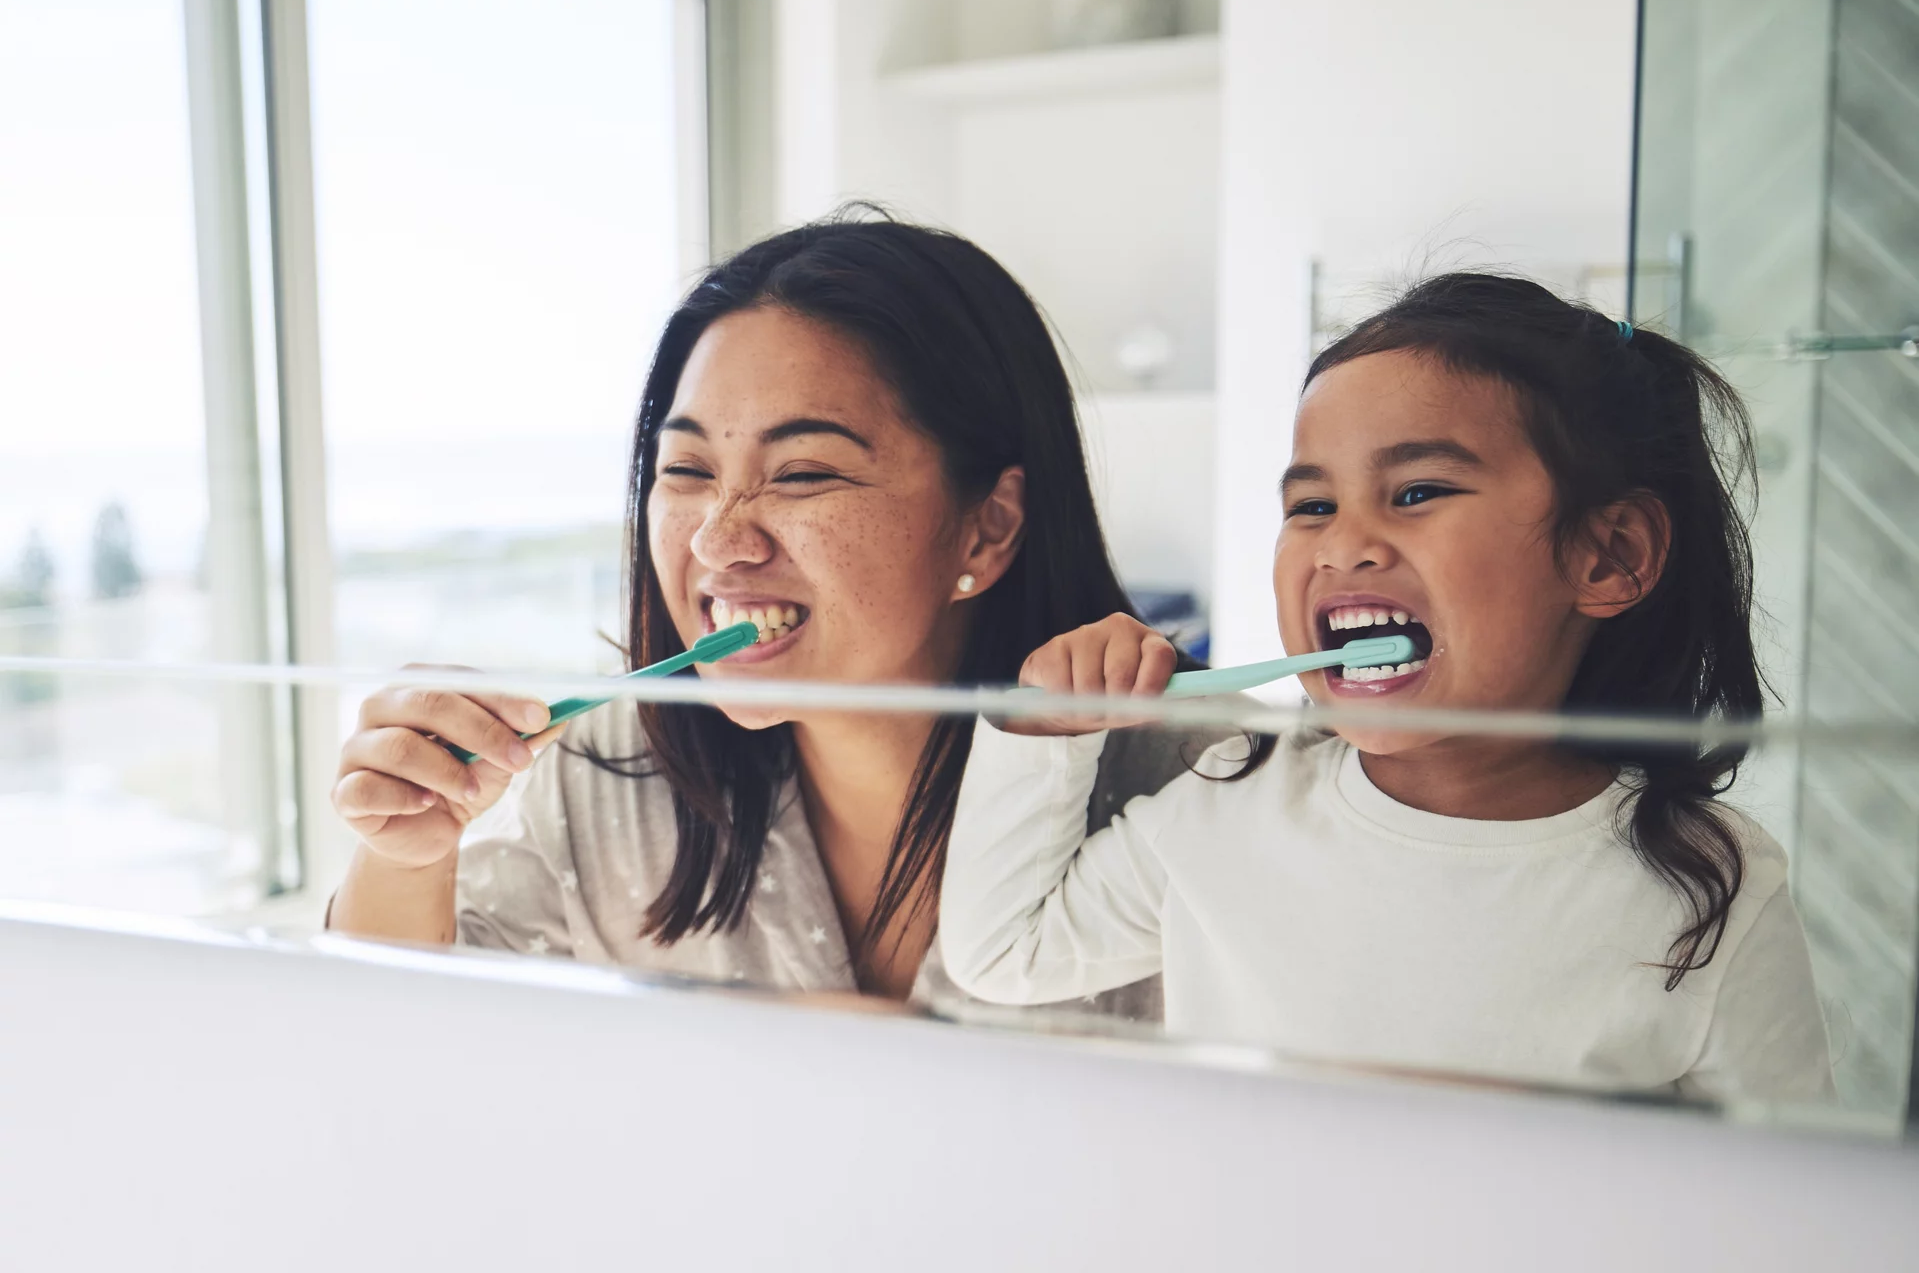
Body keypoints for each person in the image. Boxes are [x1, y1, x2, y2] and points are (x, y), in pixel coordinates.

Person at [939, 273, 1835, 1099]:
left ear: (1609, 555)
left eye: (1416, 492)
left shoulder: (1712, 889)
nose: (1341, 545)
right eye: (1311, 506)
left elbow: (1795, 1201)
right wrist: (1046, 731)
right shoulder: (1223, 807)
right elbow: (1003, 956)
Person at [327, 213, 1214, 1010]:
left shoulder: (1212, 787)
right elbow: (392, 1050)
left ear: (987, 526)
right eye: (685, 472)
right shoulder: (606, 773)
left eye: (802, 474)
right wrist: (407, 853)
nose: (718, 541)